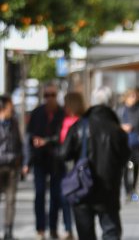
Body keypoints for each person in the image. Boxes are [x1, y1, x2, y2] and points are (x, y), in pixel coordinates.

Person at [60, 93, 130, 239]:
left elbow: (64, 153)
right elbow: (125, 158)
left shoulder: (79, 125)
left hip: (83, 187)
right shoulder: (117, 129)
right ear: (110, 105)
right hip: (109, 190)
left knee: (85, 234)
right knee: (110, 232)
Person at [23, 83, 65, 240]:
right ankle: (40, 228)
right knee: (39, 194)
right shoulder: (37, 113)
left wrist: (46, 141)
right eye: (47, 95)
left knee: (56, 196)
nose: (50, 98)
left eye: (52, 95)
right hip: (39, 160)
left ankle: (53, 228)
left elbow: (63, 136)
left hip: (56, 159)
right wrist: (26, 162)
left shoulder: (62, 113)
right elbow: (28, 137)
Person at [59, 92, 86, 240]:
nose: (64, 106)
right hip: (64, 163)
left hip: (75, 164)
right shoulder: (64, 120)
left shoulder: (80, 122)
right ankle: (68, 228)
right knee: (65, 197)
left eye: (66, 103)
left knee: (72, 196)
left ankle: (73, 228)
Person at [0, 95, 22, 240]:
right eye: (10, 106)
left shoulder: (14, 122)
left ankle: (8, 231)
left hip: (12, 167)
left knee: (11, 201)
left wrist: (21, 161)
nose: (12, 108)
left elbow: (19, 142)